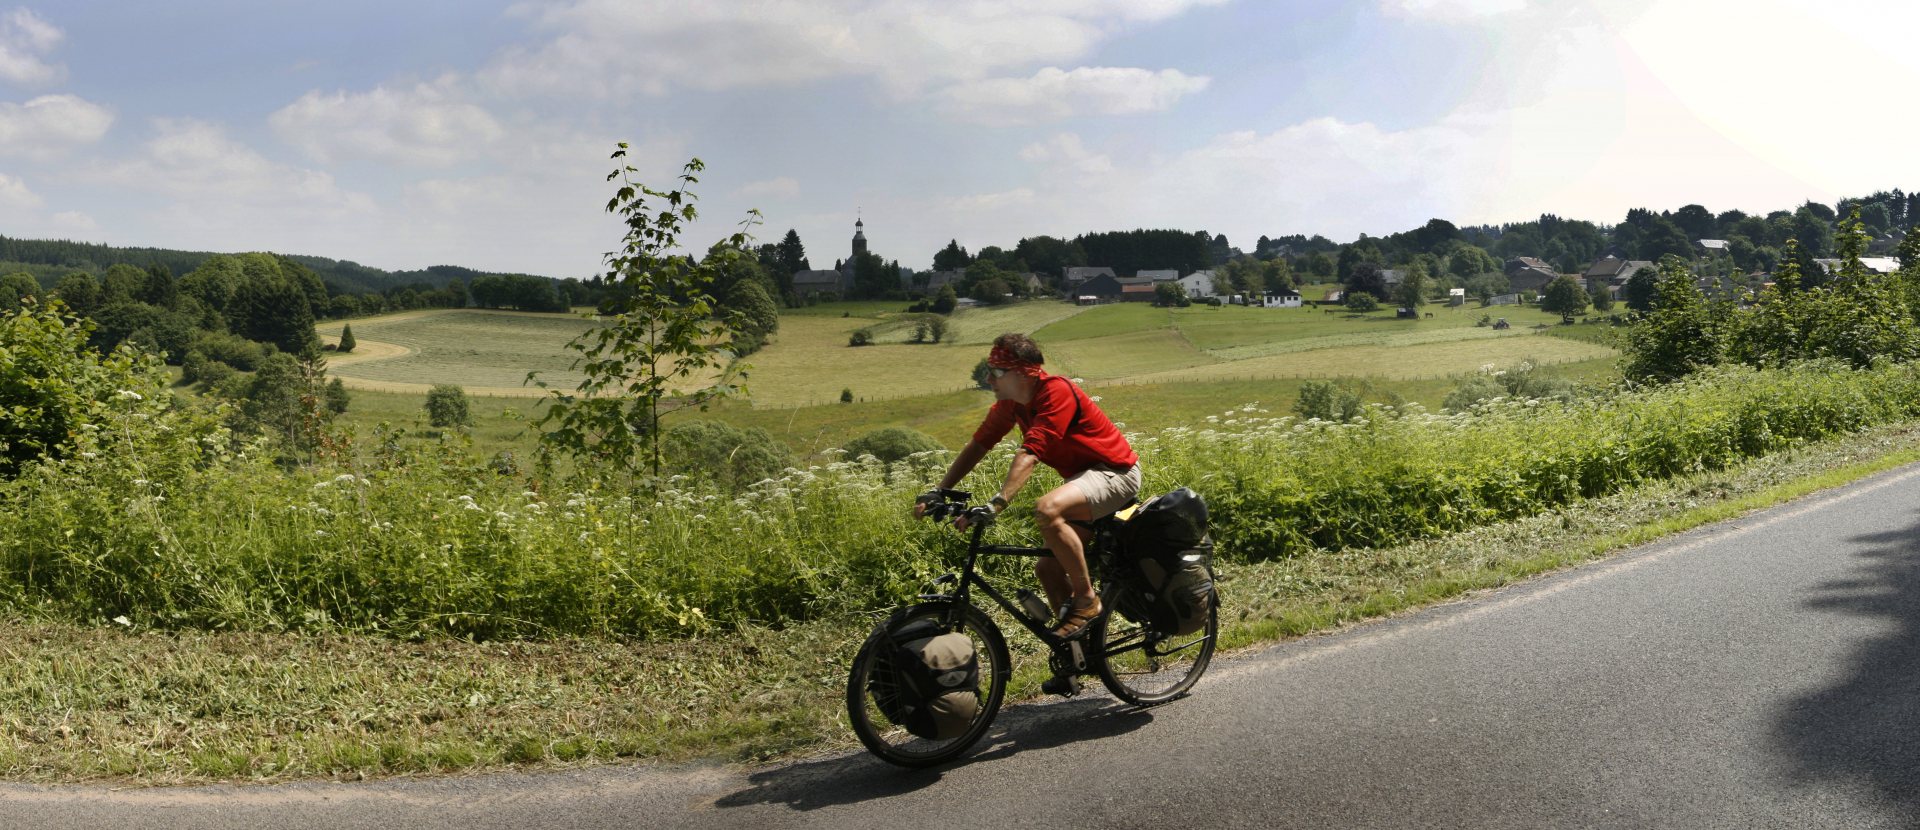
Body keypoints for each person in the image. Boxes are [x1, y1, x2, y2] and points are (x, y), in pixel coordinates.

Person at [916, 332, 1140, 640]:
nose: (988, 378)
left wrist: (998, 502)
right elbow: (979, 444)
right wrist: (941, 490)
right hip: (1082, 480)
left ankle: (1087, 601)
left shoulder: (1056, 392)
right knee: (1047, 570)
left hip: (1115, 472)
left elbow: (1031, 452)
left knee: (1047, 509)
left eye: (995, 372)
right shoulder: (1011, 404)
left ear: (1022, 373)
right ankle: (1076, 651)